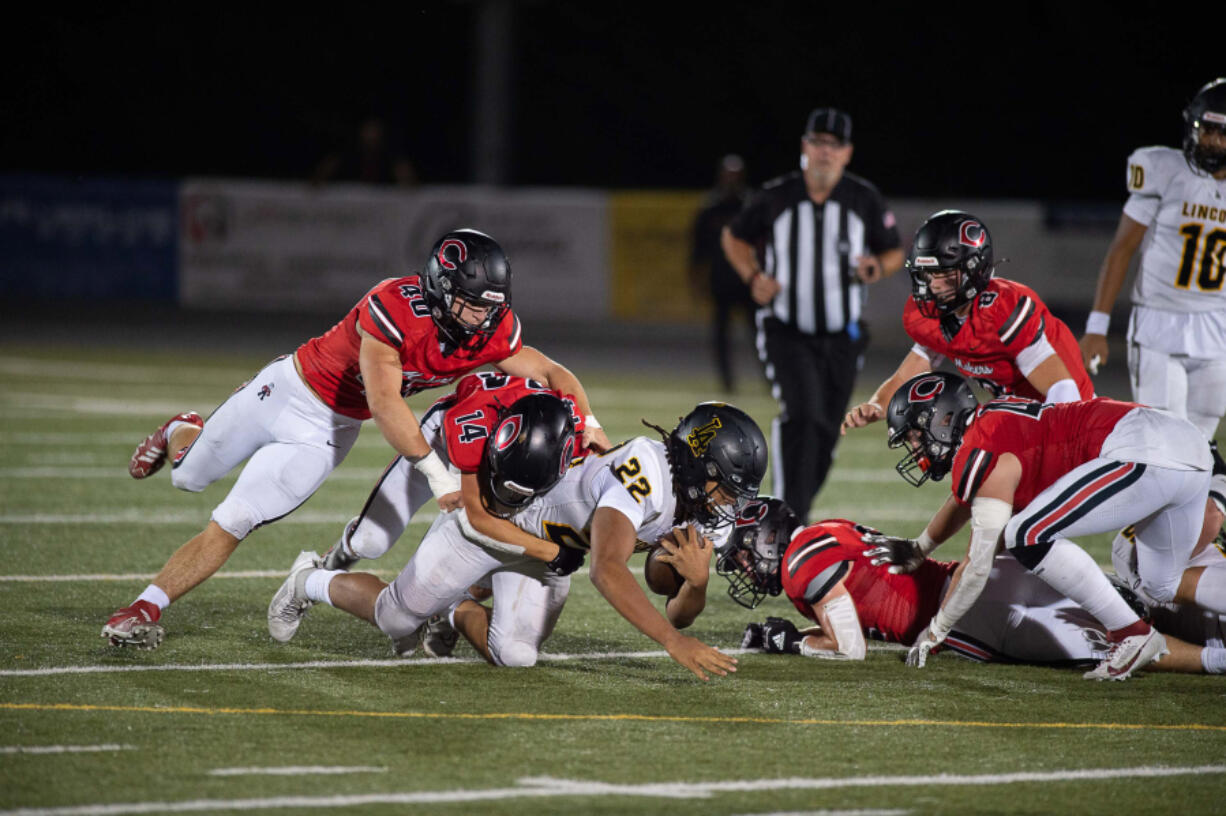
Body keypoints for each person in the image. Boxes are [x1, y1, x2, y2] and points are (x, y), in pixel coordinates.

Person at [103, 228, 611, 650]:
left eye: (489, 307)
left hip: (329, 430)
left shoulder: (489, 329)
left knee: (235, 520)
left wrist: (591, 427)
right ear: (439, 287)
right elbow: (386, 402)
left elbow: (552, 372)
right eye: (470, 304)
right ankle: (182, 429)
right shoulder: (394, 305)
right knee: (188, 477)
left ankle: (143, 607)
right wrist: (436, 476)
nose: (481, 318)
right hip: (287, 391)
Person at [270, 402, 767, 680]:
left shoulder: (702, 508)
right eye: (724, 486)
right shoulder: (646, 470)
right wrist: (671, 642)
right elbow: (607, 568)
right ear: (698, 465)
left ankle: (457, 608)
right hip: (501, 523)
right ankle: (308, 579)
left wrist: (694, 586)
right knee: (396, 617)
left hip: (547, 559)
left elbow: (666, 589)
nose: (727, 502)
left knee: (515, 655)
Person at [875, 371, 1222, 680]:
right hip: (1185, 444)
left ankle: (1131, 631)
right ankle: (1139, 633)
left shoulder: (979, 452)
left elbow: (978, 566)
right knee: (1162, 583)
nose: (916, 448)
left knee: (1026, 535)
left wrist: (936, 632)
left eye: (916, 436)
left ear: (941, 419)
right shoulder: (990, 425)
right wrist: (921, 547)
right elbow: (967, 499)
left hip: (1142, 449)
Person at [731, 499, 1226, 674]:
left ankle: (1215, 661)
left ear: (773, 541)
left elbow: (850, 649)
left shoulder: (801, 563)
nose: (748, 568)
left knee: (1128, 644)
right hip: (991, 572)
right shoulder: (828, 529)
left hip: (974, 617)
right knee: (1135, 603)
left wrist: (794, 641)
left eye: (750, 554)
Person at [722, 107, 902, 521]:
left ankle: (793, 512)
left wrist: (877, 267)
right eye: (817, 142)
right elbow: (734, 237)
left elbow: (893, 250)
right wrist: (753, 277)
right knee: (802, 415)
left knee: (826, 430)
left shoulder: (863, 198)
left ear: (847, 153)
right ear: (804, 147)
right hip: (787, 330)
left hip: (843, 336)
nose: (824, 151)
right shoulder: (776, 195)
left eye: (833, 144)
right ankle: (786, 517)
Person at [842, 210, 1093, 438]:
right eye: (928, 274)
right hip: (1023, 415)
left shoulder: (1002, 310)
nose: (935, 285)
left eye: (945, 275)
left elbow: (1063, 388)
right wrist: (877, 404)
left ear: (975, 269)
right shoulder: (932, 312)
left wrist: (1053, 447)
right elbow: (913, 368)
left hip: (1072, 416)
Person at [1079, 79, 1226, 447]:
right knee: (1163, 440)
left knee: (1199, 444)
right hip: (1159, 320)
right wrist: (1098, 325)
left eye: (1221, 134)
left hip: (1217, 323)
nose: (1210, 142)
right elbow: (1122, 248)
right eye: (1205, 131)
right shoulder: (1163, 168)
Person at [689, 154, 755, 392]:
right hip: (721, 281)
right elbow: (698, 248)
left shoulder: (749, 206)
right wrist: (697, 279)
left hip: (748, 281)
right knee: (721, 336)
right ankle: (727, 383)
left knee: (760, 335)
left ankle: (771, 380)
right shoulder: (711, 207)